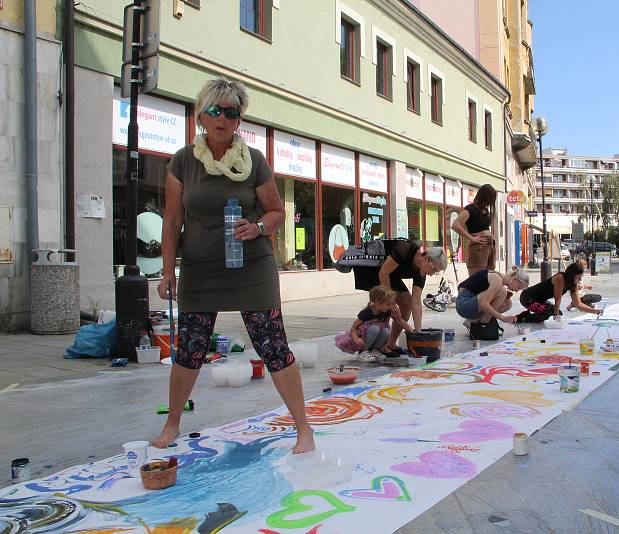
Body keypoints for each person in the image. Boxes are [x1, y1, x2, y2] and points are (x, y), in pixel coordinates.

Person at [153, 78, 314, 453]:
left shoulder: (253, 160)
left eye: (231, 112)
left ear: (239, 120)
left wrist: (257, 226)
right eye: (215, 110)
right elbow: (172, 219)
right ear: (202, 115)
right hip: (199, 268)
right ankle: (172, 423)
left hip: (251, 267)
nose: (223, 118)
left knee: (272, 345)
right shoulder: (183, 161)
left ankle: (303, 428)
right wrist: (166, 271)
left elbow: (277, 211)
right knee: (190, 347)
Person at [352, 240, 447, 354]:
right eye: (434, 269)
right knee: (383, 308)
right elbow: (383, 273)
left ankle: (389, 344)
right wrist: (392, 304)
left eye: (435, 272)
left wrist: (418, 332)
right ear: (427, 258)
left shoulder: (421, 272)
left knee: (406, 305)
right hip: (372, 268)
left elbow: (415, 302)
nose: (432, 274)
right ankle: (365, 346)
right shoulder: (405, 248)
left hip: (390, 274)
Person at [334, 286, 412, 361]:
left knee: (386, 331)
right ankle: (363, 351)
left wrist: (413, 332)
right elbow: (353, 327)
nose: (391, 306)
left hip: (374, 336)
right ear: (377, 303)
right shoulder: (367, 312)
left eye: (392, 303)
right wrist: (356, 338)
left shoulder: (386, 311)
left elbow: (399, 321)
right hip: (363, 337)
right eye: (388, 304)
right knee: (375, 328)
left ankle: (374, 350)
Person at [517, 262, 603, 322]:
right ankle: (522, 318)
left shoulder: (573, 284)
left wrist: (595, 311)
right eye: (578, 277)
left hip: (539, 300)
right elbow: (558, 299)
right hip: (527, 297)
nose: (580, 280)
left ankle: (534, 316)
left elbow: (578, 304)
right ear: (572, 275)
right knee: (551, 313)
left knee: (559, 313)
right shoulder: (560, 278)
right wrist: (555, 316)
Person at [456, 267, 529, 327]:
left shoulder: (498, 278)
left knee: (507, 303)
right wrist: (503, 318)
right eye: (519, 287)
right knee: (502, 292)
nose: (516, 291)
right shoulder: (497, 279)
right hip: (464, 305)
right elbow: (483, 304)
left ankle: (475, 321)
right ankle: (483, 324)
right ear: (514, 279)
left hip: (470, 302)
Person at [451, 184, 497, 276]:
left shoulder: (485, 210)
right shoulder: (470, 209)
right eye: (489, 199)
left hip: (489, 245)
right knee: (477, 279)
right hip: (478, 246)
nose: (490, 202)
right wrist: (471, 238)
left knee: (489, 277)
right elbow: (455, 225)